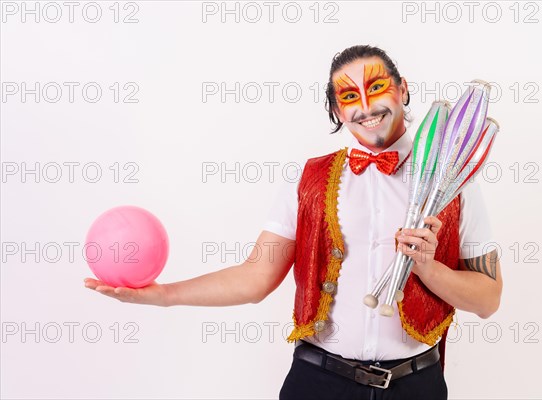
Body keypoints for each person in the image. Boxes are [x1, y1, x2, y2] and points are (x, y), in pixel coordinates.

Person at [84, 45, 503, 400]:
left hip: (417, 385)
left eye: (376, 88)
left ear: (403, 88)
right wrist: (163, 295)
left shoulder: (456, 183)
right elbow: (255, 277)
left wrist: (428, 267)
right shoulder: (307, 180)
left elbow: (488, 300)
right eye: (348, 97)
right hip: (319, 383)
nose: (365, 107)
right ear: (337, 109)